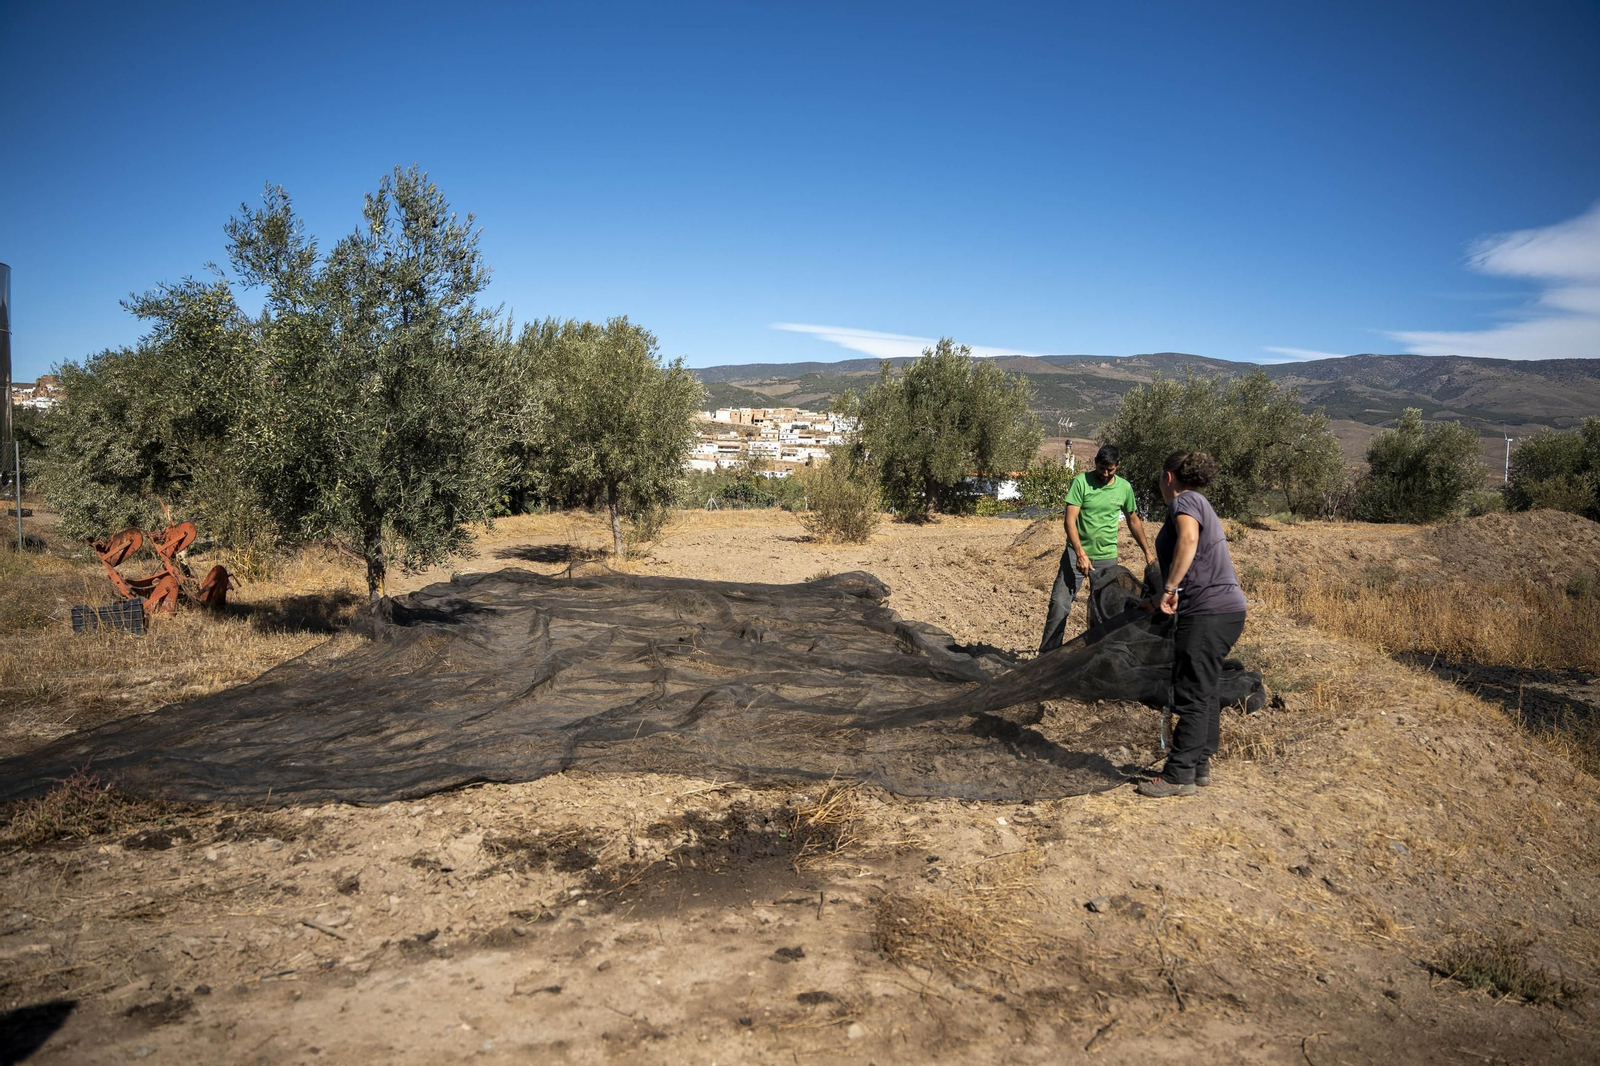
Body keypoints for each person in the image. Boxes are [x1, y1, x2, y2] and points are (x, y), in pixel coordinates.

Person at [1136, 450, 1249, 798]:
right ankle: (1199, 764)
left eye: (1160, 477)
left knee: (1192, 692)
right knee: (1206, 687)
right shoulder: (1200, 502)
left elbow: (1188, 540)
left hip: (1208, 613)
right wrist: (1160, 597)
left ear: (1168, 477)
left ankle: (1179, 774)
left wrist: (1170, 588)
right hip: (1225, 611)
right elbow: (1196, 563)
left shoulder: (1184, 502)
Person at [1038, 445, 1153, 652]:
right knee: (1059, 604)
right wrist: (1080, 553)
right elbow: (1069, 521)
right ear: (1095, 463)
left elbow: (1133, 520)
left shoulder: (1124, 488)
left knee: (1106, 609)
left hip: (1107, 557)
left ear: (1118, 466)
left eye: (1110, 469)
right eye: (1102, 468)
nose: (1105, 473)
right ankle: (1047, 656)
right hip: (1076, 554)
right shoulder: (1081, 482)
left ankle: (1100, 656)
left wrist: (1148, 552)